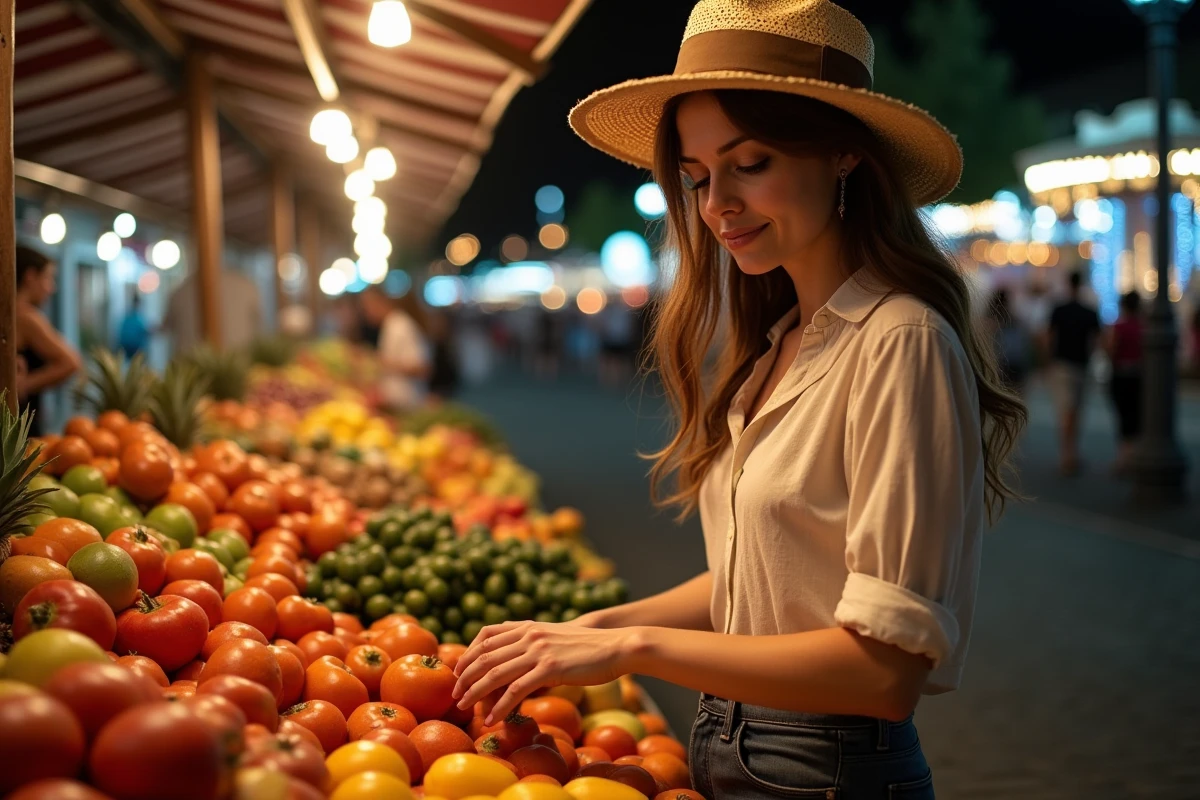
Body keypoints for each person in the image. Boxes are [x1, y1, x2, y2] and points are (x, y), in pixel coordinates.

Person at [448, 2, 1027, 798]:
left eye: (748, 162)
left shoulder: (900, 339)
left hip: (825, 768)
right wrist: (593, 628)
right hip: (744, 747)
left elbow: (883, 671)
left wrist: (634, 649)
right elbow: (769, 580)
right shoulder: (781, 341)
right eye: (695, 178)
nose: (715, 203)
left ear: (844, 155)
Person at [14, 245, 82, 435]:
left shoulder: (10, 314)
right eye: (48, 277)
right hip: (21, 425)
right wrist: (25, 384)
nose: (51, 287)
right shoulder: (26, 316)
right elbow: (71, 362)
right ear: (30, 276)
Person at [1046, 271, 1101, 476]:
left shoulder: (1058, 309)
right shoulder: (1090, 311)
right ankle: (1071, 453)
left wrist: (1048, 361)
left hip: (1061, 364)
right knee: (1076, 410)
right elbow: (1096, 340)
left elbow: (1049, 337)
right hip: (1081, 364)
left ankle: (1067, 453)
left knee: (1066, 410)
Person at [359, 287, 430, 413]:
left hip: (408, 403)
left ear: (379, 302)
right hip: (396, 402)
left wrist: (381, 362)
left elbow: (422, 368)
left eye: (366, 308)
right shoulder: (390, 324)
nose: (366, 314)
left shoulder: (400, 325)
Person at [164, 267, 262, 355]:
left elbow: (166, 327)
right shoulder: (246, 286)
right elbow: (258, 325)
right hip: (195, 362)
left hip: (193, 360)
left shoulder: (180, 291)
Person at [1104, 291, 1144, 475]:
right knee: (1137, 416)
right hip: (1139, 376)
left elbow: (1111, 349)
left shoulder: (1118, 327)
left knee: (1123, 417)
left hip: (1121, 375)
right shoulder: (1145, 326)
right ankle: (1134, 457)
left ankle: (1125, 459)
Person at [985, 288, 1032, 395]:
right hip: (1017, 362)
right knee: (1017, 396)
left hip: (999, 364)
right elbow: (1024, 341)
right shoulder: (1015, 319)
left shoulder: (989, 321)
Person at [117, 293, 152, 358]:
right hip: (135, 347)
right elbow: (144, 330)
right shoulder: (137, 317)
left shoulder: (129, 316)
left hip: (129, 347)